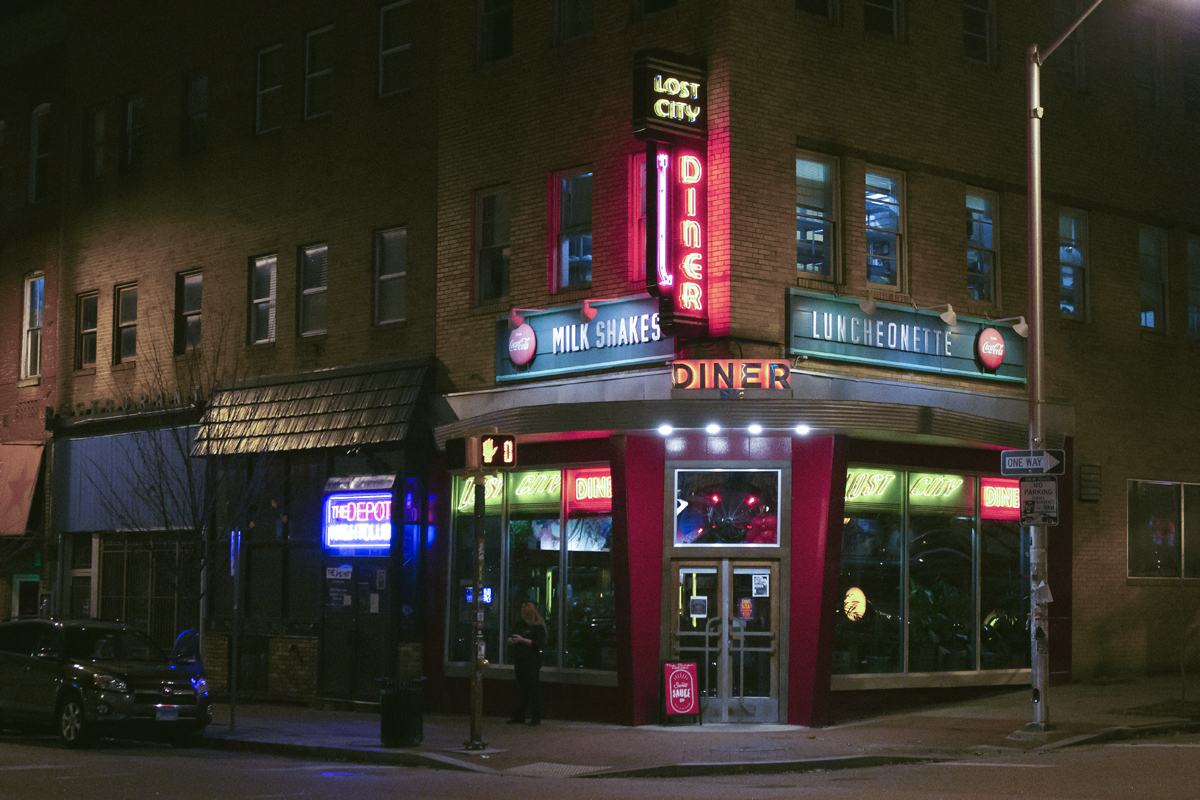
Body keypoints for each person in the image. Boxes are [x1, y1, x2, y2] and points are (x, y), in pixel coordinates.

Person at [507, 602, 547, 726]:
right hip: (520, 659)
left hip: (531, 660)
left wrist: (522, 640)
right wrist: (512, 639)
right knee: (522, 688)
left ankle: (536, 717)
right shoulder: (521, 625)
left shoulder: (537, 627)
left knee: (533, 688)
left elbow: (538, 643)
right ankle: (520, 716)